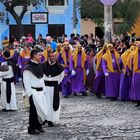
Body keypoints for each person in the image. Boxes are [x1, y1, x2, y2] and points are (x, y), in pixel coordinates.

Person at [23, 49, 47, 134]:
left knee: (40, 110)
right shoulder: (28, 68)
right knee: (33, 111)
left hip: (40, 91)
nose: (41, 57)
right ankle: (31, 128)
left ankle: (38, 125)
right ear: (34, 55)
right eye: (39, 55)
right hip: (33, 91)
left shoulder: (40, 65)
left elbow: (42, 79)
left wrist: (44, 90)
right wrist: (30, 94)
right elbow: (26, 82)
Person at [43, 52, 64, 126]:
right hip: (45, 87)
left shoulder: (59, 66)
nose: (52, 58)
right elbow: (42, 76)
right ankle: (45, 118)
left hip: (54, 87)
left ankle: (51, 119)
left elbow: (61, 77)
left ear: (56, 57)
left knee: (53, 103)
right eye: (51, 56)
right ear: (48, 57)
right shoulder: (44, 65)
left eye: (54, 56)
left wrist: (54, 81)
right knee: (45, 103)